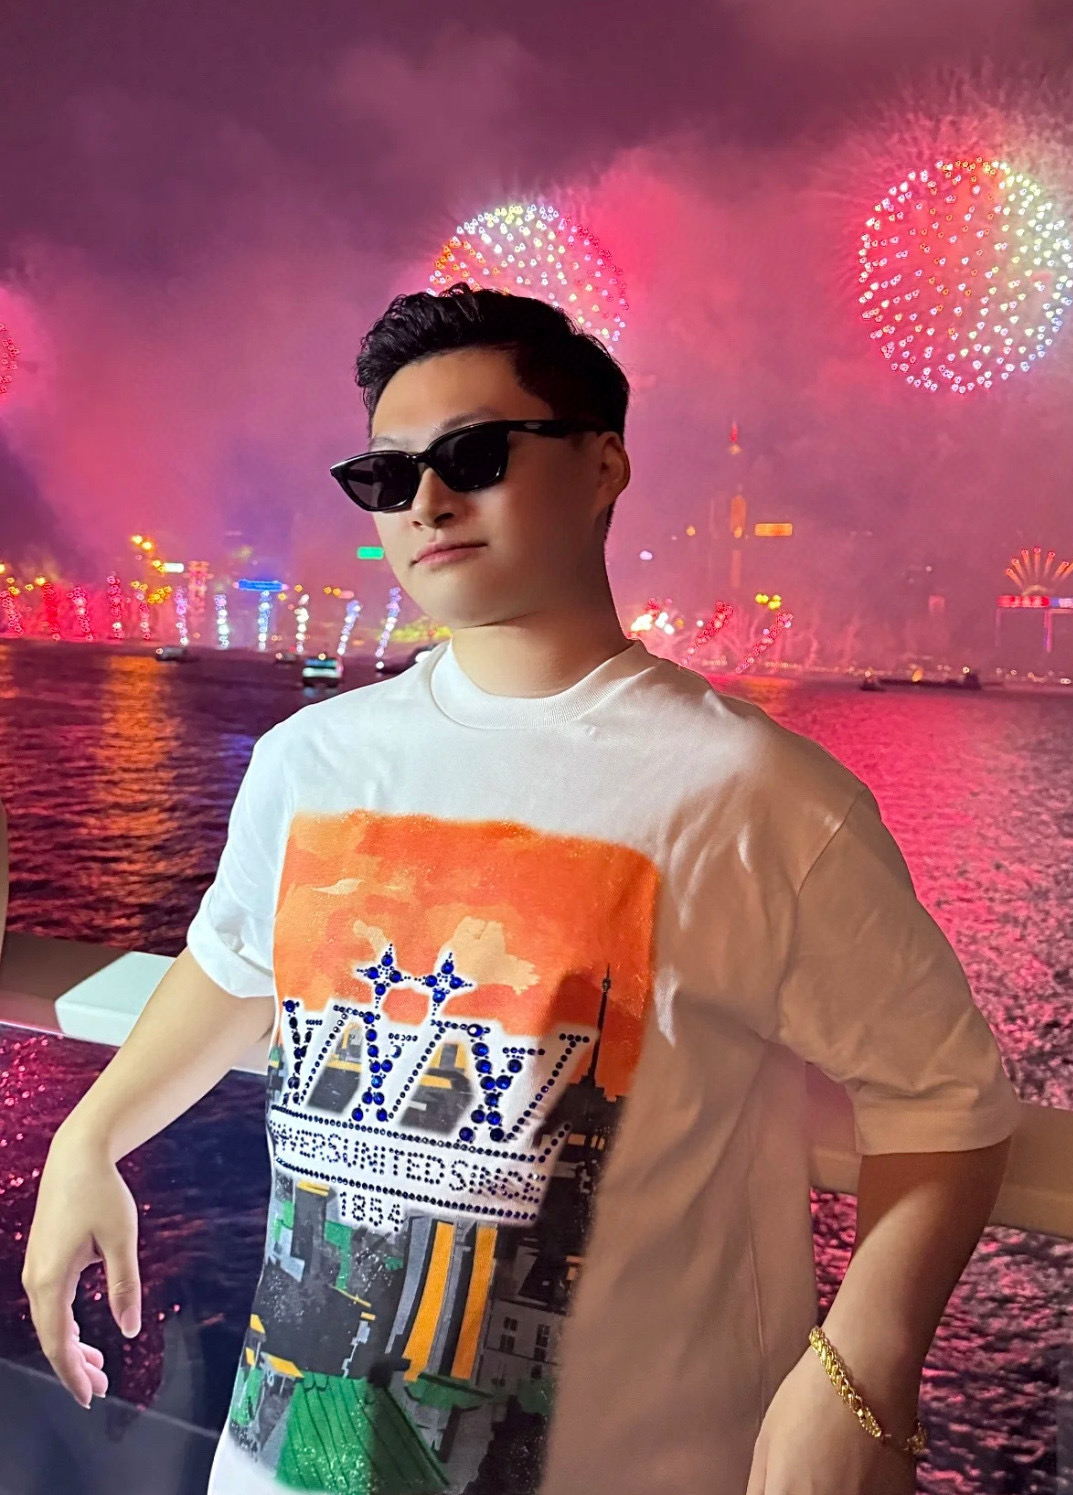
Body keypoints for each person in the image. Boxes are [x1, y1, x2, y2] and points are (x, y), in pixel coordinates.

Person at [23, 284, 1021, 1495]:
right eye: (389, 475)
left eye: (476, 455)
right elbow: (238, 969)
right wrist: (91, 1136)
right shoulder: (310, 760)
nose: (427, 502)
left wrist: (858, 1370)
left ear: (603, 466)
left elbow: (944, 1101)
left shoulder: (758, 796)